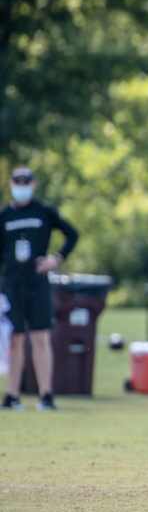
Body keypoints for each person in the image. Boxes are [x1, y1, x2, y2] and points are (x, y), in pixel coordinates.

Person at [1, 167, 79, 411]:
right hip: (12, 284)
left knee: (40, 337)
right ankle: (12, 395)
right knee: (14, 339)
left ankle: (46, 394)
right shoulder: (4, 216)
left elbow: (72, 234)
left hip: (37, 283)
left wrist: (55, 259)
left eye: (26, 182)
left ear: (33, 184)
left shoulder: (44, 211)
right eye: (17, 181)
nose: (21, 185)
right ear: (11, 184)